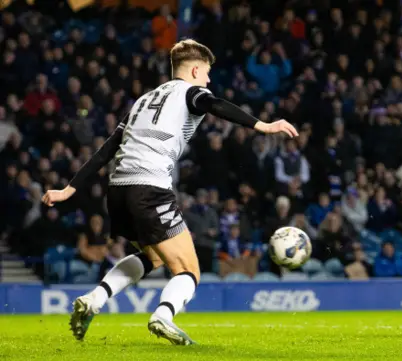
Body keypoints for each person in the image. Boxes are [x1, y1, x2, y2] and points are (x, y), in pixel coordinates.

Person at [41, 39, 298, 345]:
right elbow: (214, 104)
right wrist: (263, 126)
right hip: (148, 188)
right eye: (206, 73)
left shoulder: (143, 101)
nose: (209, 80)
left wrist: (69, 188)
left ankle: (94, 299)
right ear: (194, 70)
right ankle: (163, 316)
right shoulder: (191, 92)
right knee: (189, 269)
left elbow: (106, 149)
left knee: (154, 256)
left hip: (118, 191)